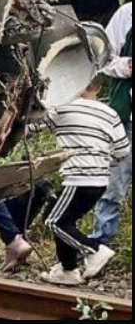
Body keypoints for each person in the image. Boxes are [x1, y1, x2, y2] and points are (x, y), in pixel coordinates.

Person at [41, 79, 131, 286]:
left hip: (77, 178)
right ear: (98, 87)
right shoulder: (110, 113)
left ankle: (94, 250)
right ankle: (68, 270)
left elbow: (33, 126)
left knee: (53, 221)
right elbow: (122, 151)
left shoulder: (62, 108)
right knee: (64, 221)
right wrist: (103, 161)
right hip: (99, 181)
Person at [91, 2, 132, 246]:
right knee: (113, 187)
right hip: (125, 119)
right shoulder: (127, 14)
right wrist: (127, 66)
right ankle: (100, 244)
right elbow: (102, 57)